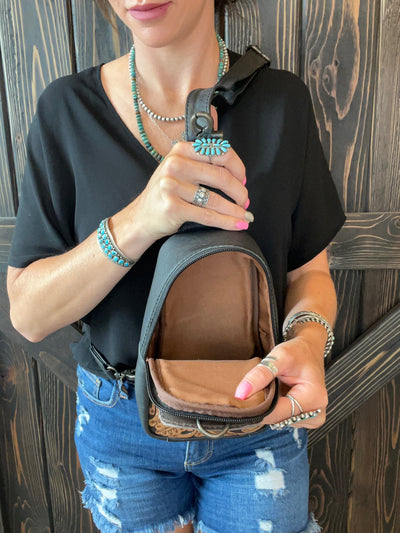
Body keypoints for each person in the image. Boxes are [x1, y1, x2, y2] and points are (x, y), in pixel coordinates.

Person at [7, 0, 345, 532]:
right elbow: (28, 314)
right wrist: (141, 219)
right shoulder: (66, 111)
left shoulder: (283, 103)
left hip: (255, 411)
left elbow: (309, 274)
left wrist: (307, 341)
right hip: (121, 423)